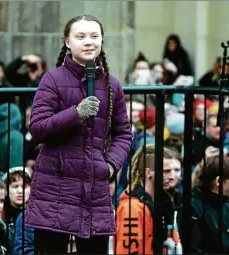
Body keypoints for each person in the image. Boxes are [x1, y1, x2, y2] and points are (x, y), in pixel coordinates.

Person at [24, 14, 132, 254]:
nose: (88, 42)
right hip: (55, 186)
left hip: (94, 187)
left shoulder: (112, 85)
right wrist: (77, 113)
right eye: (80, 36)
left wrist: (111, 165)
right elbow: (38, 128)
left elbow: (123, 133)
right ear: (67, 42)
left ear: (102, 41)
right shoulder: (52, 79)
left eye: (94, 36)